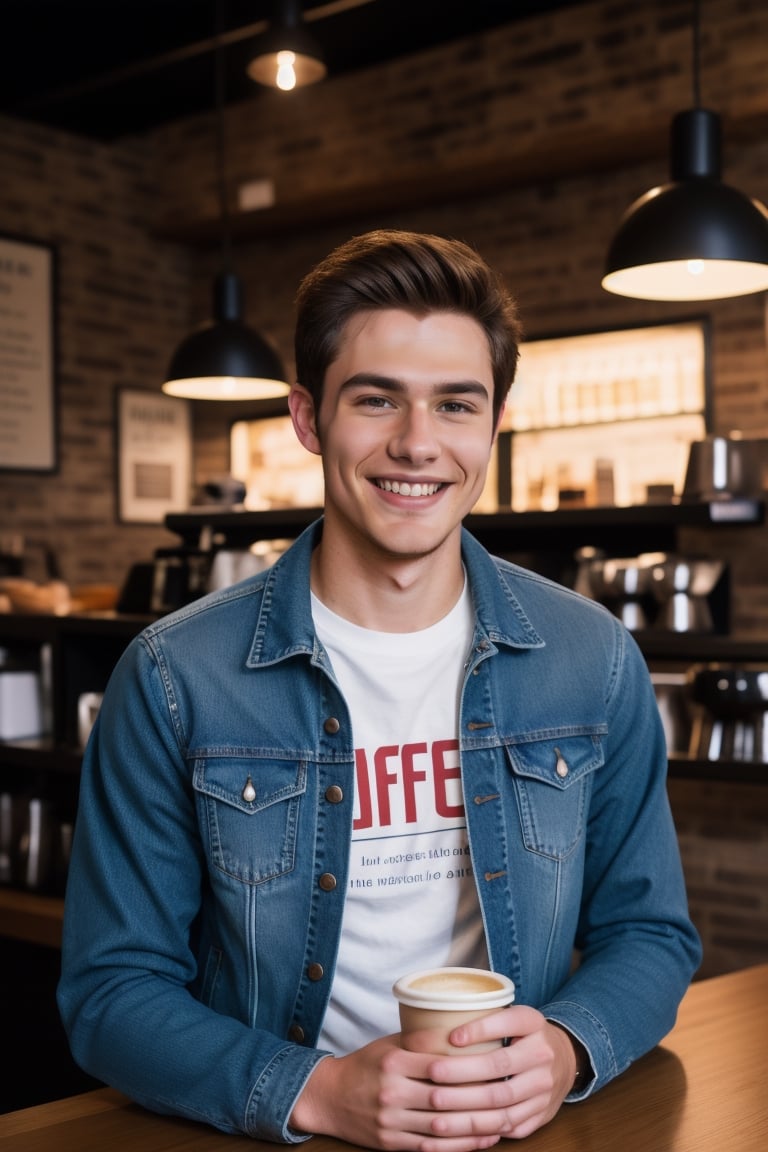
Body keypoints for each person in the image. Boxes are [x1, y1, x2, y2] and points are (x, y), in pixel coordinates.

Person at [58, 229, 701, 1149]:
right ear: (309, 419)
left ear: (494, 424)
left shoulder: (591, 658)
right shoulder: (172, 677)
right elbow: (109, 993)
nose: (416, 444)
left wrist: (565, 1048)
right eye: (375, 400)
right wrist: (313, 1092)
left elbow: (652, 935)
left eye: (455, 404)